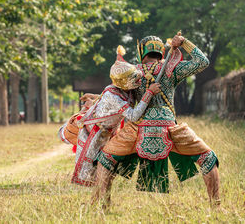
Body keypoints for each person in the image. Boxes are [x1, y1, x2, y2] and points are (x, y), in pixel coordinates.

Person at [94, 33, 221, 208]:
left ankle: (103, 206)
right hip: (169, 127)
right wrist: (185, 43)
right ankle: (216, 206)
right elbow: (203, 62)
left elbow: (115, 93)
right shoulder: (172, 68)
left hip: (138, 128)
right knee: (208, 158)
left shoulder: (134, 71)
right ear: (161, 51)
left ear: (141, 51)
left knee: (105, 159)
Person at [58, 46, 161, 187]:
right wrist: (149, 93)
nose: (138, 80)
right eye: (133, 78)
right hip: (96, 134)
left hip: (110, 132)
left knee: (109, 170)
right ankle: (98, 201)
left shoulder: (124, 89)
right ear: (123, 82)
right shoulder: (113, 95)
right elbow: (133, 115)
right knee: (98, 172)